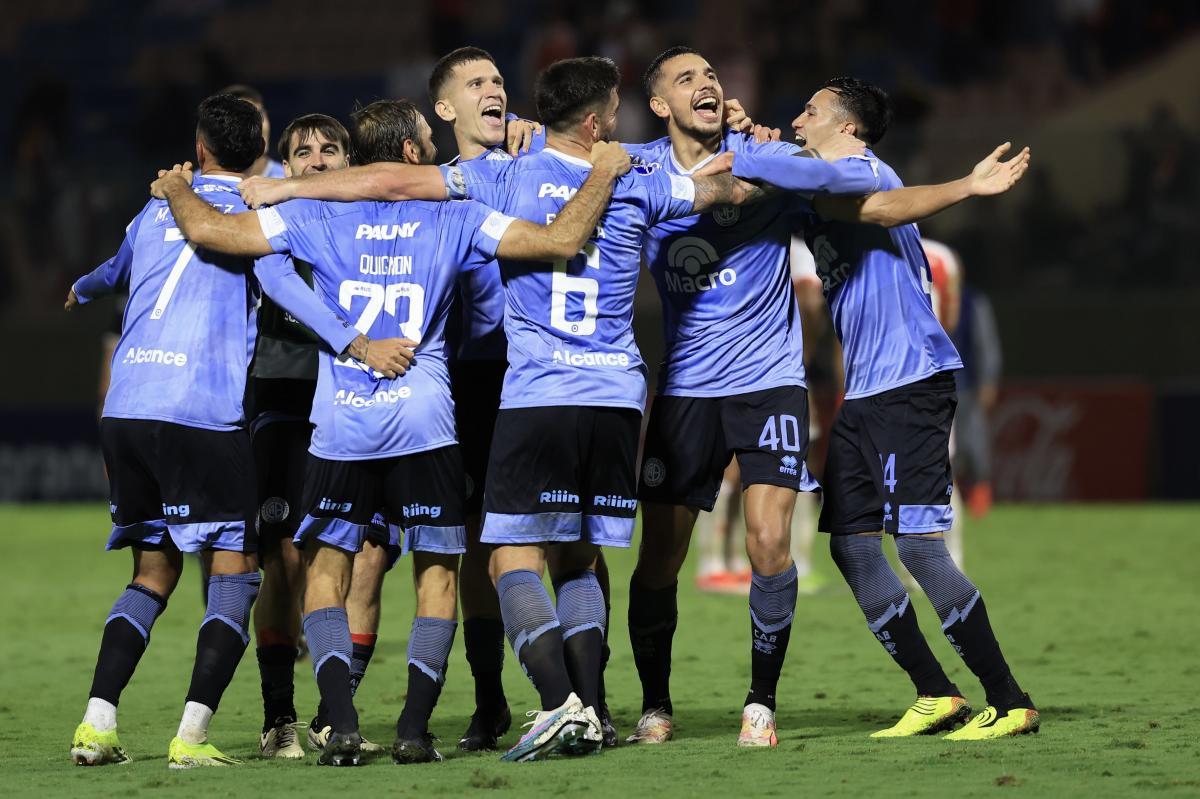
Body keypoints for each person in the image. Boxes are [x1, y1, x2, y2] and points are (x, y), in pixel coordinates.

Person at [153, 96, 632, 765]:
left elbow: (211, 233)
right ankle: (412, 727)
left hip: (343, 424)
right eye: (428, 142)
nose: (435, 150)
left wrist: (178, 186)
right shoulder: (454, 215)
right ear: (410, 153)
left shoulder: (311, 215)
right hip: (426, 419)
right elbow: (557, 241)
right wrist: (601, 172)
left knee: (327, 570)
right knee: (437, 574)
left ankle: (341, 724)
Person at [63, 94, 394, 770]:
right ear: (265, 154)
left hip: (127, 407)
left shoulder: (157, 204)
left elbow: (111, 272)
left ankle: (97, 725)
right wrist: (356, 341)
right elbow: (287, 288)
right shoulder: (256, 215)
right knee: (238, 571)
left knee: (153, 569)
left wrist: (80, 287)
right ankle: (193, 734)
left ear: (201, 145)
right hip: (203, 411)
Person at [739, 76, 1038, 740]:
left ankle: (1009, 698)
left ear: (848, 128)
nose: (796, 119)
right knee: (849, 545)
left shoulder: (863, 168)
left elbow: (880, 209)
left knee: (920, 548)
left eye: (810, 110)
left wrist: (965, 186)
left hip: (912, 381)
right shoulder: (825, 186)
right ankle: (936, 692)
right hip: (867, 393)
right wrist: (750, 137)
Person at [622, 46, 902, 749]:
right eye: (686, 78)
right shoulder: (639, 167)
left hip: (769, 381)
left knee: (771, 541)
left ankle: (761, 702)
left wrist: (764, 140)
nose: (706, 83)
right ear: (660, 105)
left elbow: (836, 176)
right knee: (660, 556)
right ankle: (655, 704)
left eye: (713, 73)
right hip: (685, 388)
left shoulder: (765, 153)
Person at [249, 113, 396, 760]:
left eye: (328, 149)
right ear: (284, 164)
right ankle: (278, 713)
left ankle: (334, 713)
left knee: (364, 561)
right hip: (283, 398)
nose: (314, 159)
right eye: (301, 151)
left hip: (358, 402)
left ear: (349, 161)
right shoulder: (274, 222)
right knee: (283, 562)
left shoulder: (378, 222)